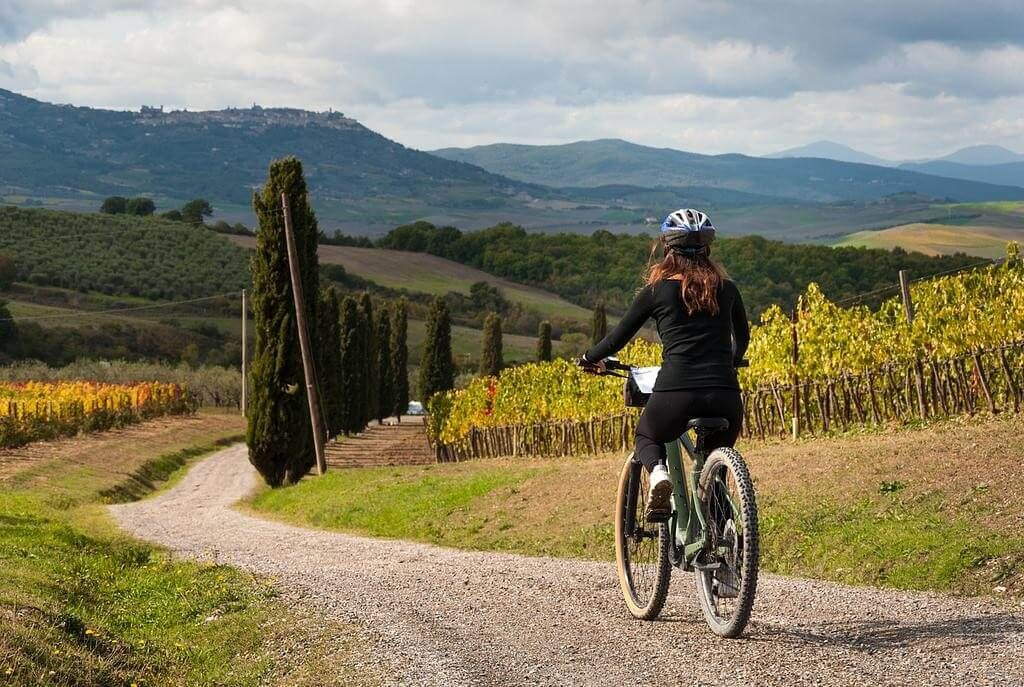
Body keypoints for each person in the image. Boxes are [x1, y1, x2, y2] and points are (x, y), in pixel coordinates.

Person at [579, 208, 749, 516]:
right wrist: (733, 361)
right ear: (707, 249)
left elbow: (617, 338)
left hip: (677, 391)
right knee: (715, 473)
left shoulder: (656, 291)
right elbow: (743, 339)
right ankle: (728, 531)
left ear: (668, 248)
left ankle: (658, 474)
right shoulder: (729, 289)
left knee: (646, 436)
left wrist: (589, 358)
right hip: (725, 395)